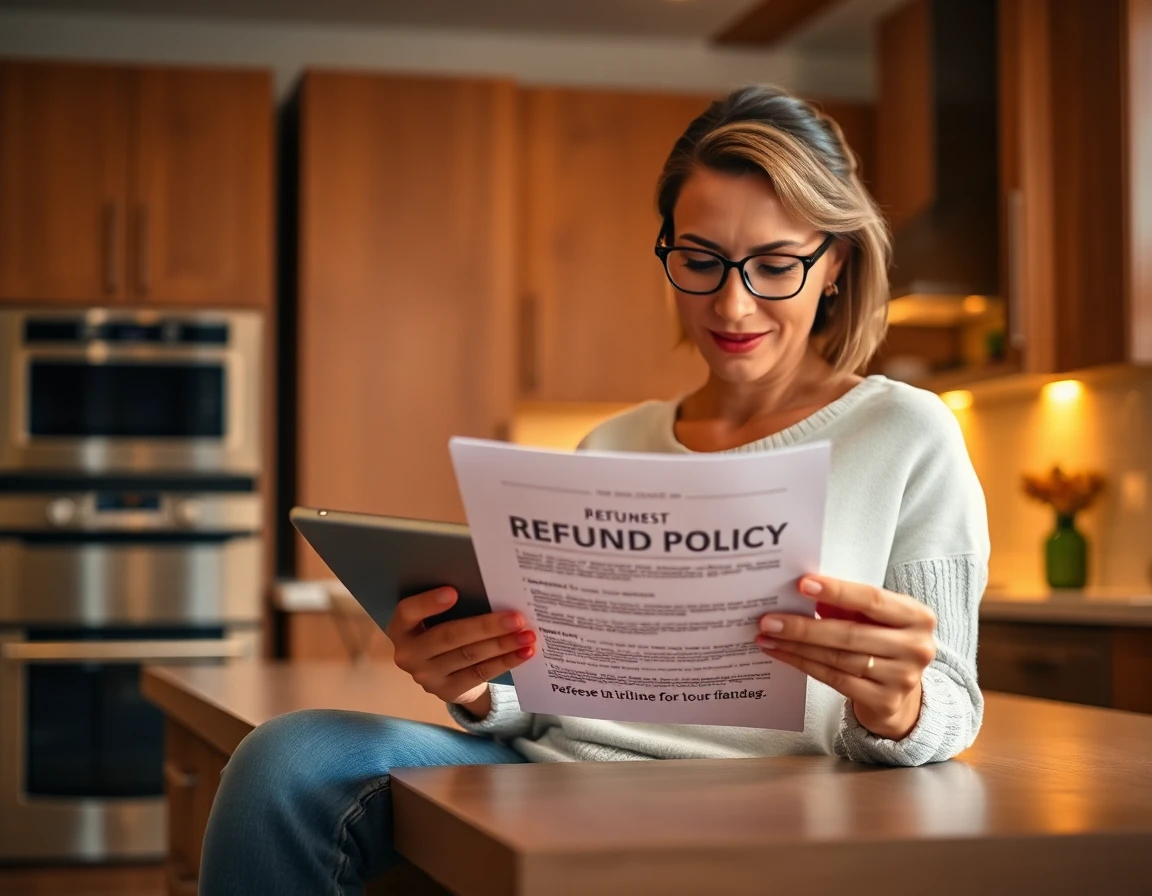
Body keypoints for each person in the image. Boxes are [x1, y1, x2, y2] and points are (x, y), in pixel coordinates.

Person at [200, 85, 989, 895]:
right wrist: (478, 686)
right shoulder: (611, 444)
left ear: (834, 265)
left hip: (765, 795)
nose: (731, 301)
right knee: (288, 758)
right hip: (551, 772)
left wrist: (897, 708)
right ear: (668, 253)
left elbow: (952, 704)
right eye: (699, 259)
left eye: (776, 265)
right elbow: (545, 707)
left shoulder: (907, 433)